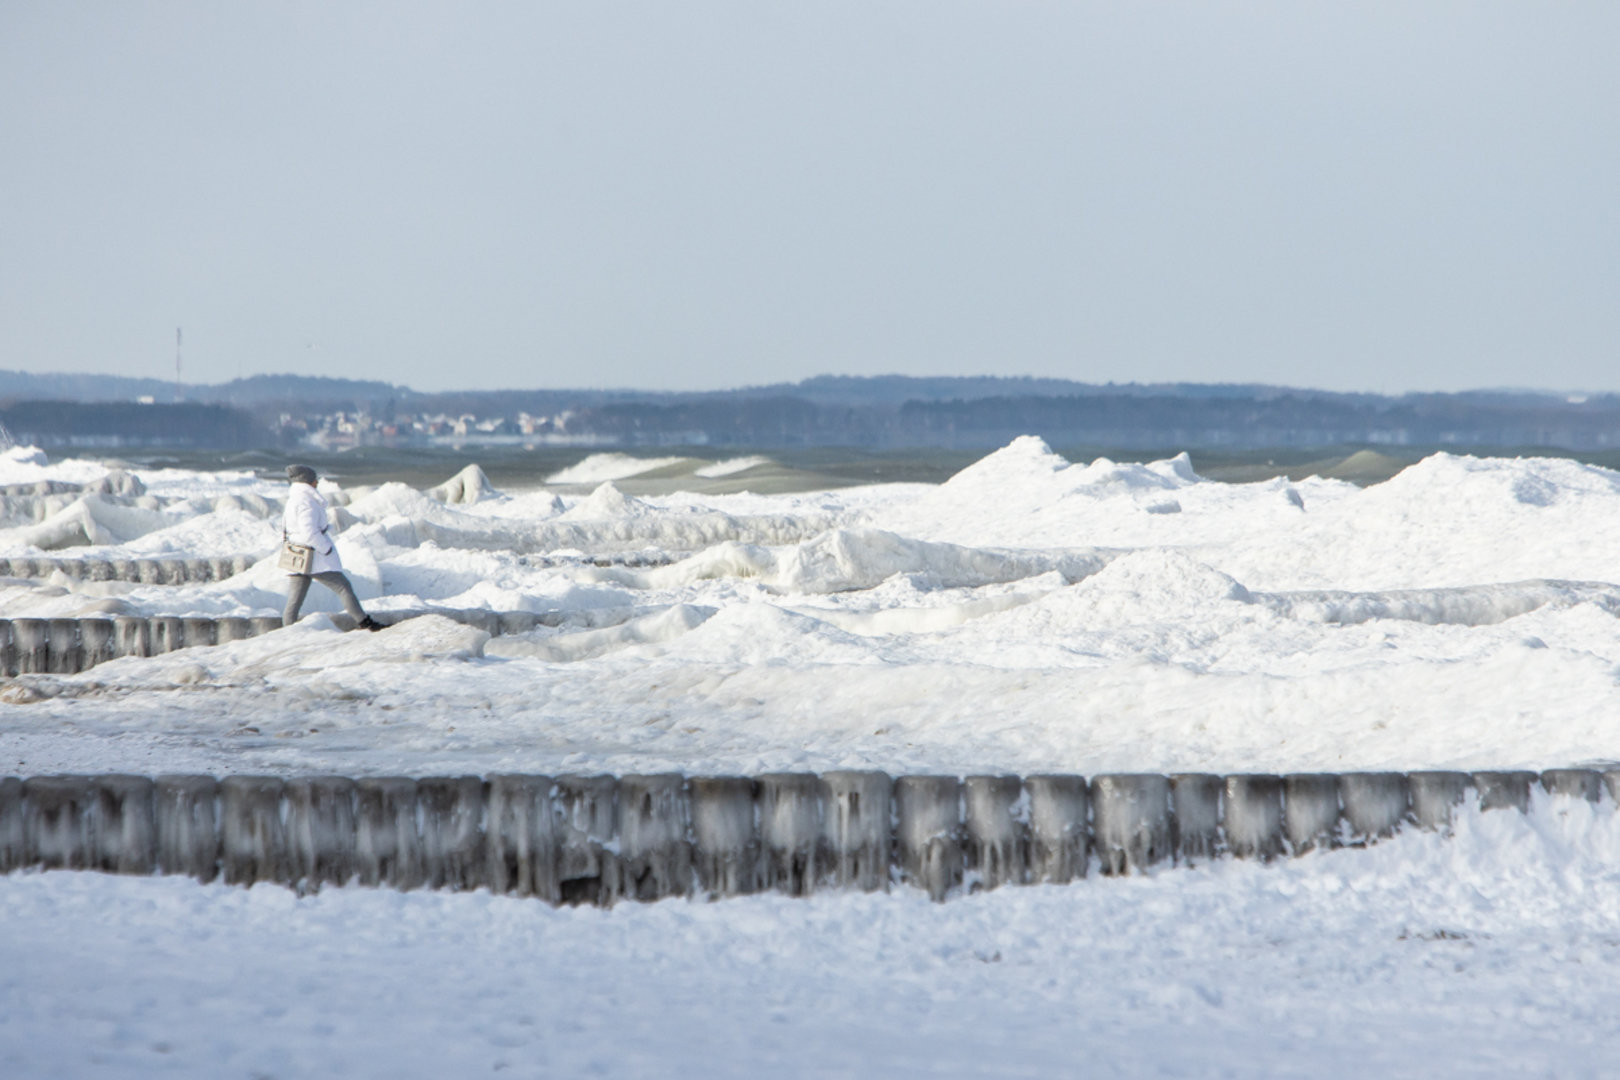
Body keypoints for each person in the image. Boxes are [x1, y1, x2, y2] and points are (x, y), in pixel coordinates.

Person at [282, 464, 382, 630]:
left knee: (294, 599)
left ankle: (287, 632)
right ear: (307, 482)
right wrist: (325, 548)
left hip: (297, 555)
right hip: (313, 556)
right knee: (343, 587)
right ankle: (366, 623)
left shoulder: (293, 500)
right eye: (314, 479)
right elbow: (309, 532)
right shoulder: (307, 502)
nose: (317, 482)